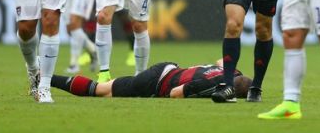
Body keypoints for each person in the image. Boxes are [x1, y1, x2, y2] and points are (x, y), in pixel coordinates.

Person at [51, 60, 252, 99]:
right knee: (101, 90)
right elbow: (175, 94)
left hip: (169, 68)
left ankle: (44, 78)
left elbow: (219, 59)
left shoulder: (231, 72)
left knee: (105, 90)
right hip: (155, 81)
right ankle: (45, 79)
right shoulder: (209, 86)